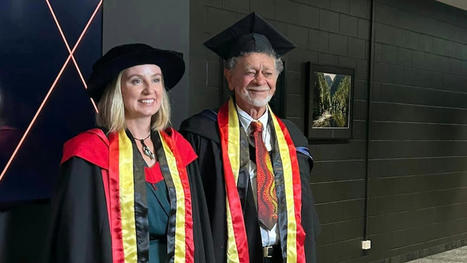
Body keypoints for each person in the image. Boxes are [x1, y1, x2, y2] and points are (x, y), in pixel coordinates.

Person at [47, 43, 214, 263]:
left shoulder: (179, 149)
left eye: (156, 79)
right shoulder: (90, 153)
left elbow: (197, 233)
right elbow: (78, 240)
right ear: (118, 90)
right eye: (136, 81)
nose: (149, 89)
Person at [180, 13, 320, 263]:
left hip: (284, 255)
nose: (260, 80)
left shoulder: (294, 138)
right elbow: (194, 214)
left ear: (276, 78)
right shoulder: (201, 135)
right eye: (250, 72)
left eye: (267, 72)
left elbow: (305, 212)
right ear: (230, 77)